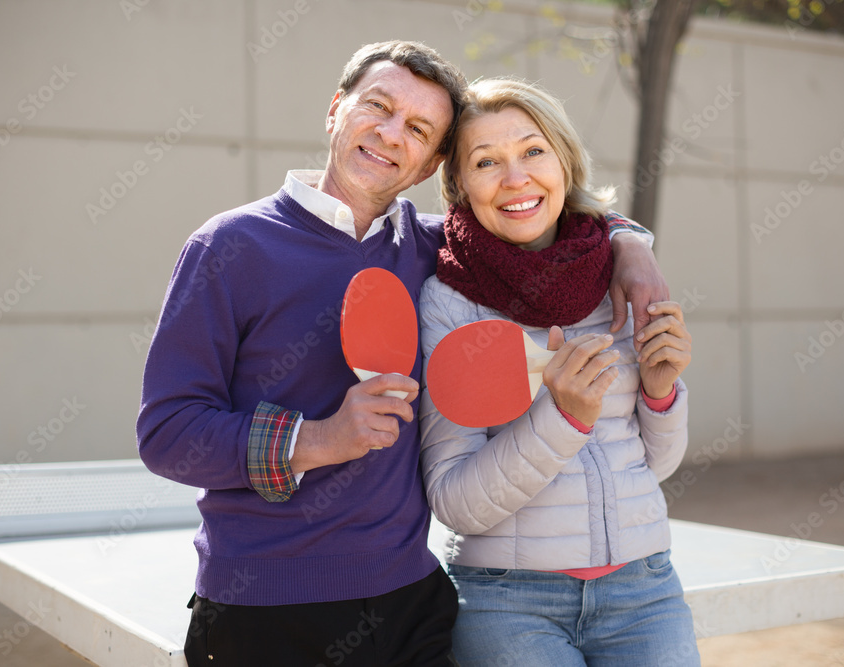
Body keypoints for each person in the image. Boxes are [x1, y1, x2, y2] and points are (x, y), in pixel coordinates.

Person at [137, 41, 668, 666]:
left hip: (410, 605)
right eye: (378, 107)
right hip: (264, 610)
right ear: (336, 109)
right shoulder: (229, 245)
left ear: (429, 165)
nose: (391, 134)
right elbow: (167, 433)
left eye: (418, 129)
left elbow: (539, 209)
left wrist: (631, 245)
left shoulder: (438, 253)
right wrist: (319, 439)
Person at [419, 76, 700, 666]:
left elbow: (656, 467)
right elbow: (454, 501)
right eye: (486, 161)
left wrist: (659, 393)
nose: (516, 177)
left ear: (566, 161)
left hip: (645, 589)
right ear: (460, 186)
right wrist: (563, 420)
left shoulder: (620, 276)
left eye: (532, 150)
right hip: (508, 601)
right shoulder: (450, 301)